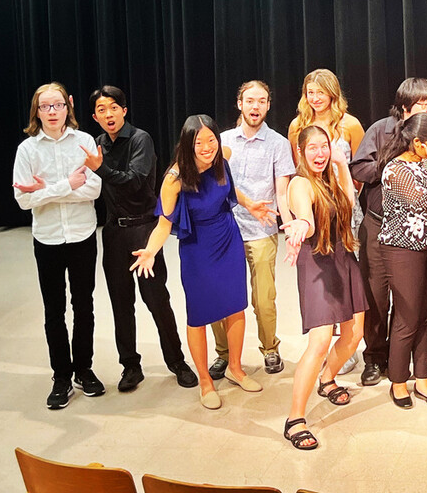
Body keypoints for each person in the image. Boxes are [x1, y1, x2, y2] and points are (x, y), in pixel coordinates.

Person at [131, 115, 275, 410]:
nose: (208, 147)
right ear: (188, 143)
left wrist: (250, 205)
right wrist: (150, 251)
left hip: (227, 238)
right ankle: (206, 382)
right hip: (198, 247)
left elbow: (228, 189)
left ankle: (235, 368)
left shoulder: (223, 158)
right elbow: (163, 224)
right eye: (200, 142)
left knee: (236, 306)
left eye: (212, 139)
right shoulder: (174, 178)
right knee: (199, 315)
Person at [81, 85, 197, 392]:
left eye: (113, 108)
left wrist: (100, 168)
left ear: (124, 110)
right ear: (95, 116)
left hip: (144, 230)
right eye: (101, 110)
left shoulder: (140, 139)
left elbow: (133, 182)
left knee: (157, 299)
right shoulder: (97, 145)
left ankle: (177, 362)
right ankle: (130, 366)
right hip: (114, 233)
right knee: (121, 303)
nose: (108, 114)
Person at [14, 83, 104, 409]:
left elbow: (93, 189)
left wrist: (46, 191)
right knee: (54, 311)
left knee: (84, 306)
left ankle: (84, 369)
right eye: (44, 107)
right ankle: (61, 377)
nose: (52, 112)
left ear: (69, 106)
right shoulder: (27, 150)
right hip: (48, 239)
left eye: (57, 105)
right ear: (36, 112)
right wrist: (67, 185)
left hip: (81, 235)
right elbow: (23, 200)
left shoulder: (84, 142)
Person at [278, 125, 369, 450]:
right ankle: (295, 419)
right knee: (318, 342)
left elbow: (349, 201)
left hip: (344, 258)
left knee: (354, 334)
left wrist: (342, 164)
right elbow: (307, 217)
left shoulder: (331, 178)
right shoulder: (301, 184)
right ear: (300, 152)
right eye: (312, 148)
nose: (319, 154)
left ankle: (327, 378)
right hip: (317, 262)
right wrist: (300, 226)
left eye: (324, 147)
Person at [350, 78, 427, 386]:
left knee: (411, 300)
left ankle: (408, 361)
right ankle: (375, 357)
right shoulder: (379, 130)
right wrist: (394, 161)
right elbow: (359, 168)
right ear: (403, 108)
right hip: (379, 223)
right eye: (422, 104)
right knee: (377, 296)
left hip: (417, 231)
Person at [206, 81, 295, 379]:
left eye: (261, 101)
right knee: (220, 296)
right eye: (250, 101)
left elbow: (282, 191)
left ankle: (270, 348)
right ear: (239, 103)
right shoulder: (221, 140)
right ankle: (223, 354)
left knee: (263, 297)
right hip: (225, 230)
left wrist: (290, 220)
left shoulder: (279, 144)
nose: (255, 107)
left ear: (268, 105)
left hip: (261, 229)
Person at [379, 113, 427, 409]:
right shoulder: (395, 171)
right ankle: (398, 380)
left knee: (425, 314)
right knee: (407, 315)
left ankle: (422, 378)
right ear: (418, 143)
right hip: (402, 250)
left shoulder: (424, 165)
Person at [287, 69, 366, 161]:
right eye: (311, 93)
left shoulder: (352, 124)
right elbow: (296, 166)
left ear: (332, 94)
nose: (315, 99)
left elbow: (361, 168)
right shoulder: (297, 125)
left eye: (321, 92)